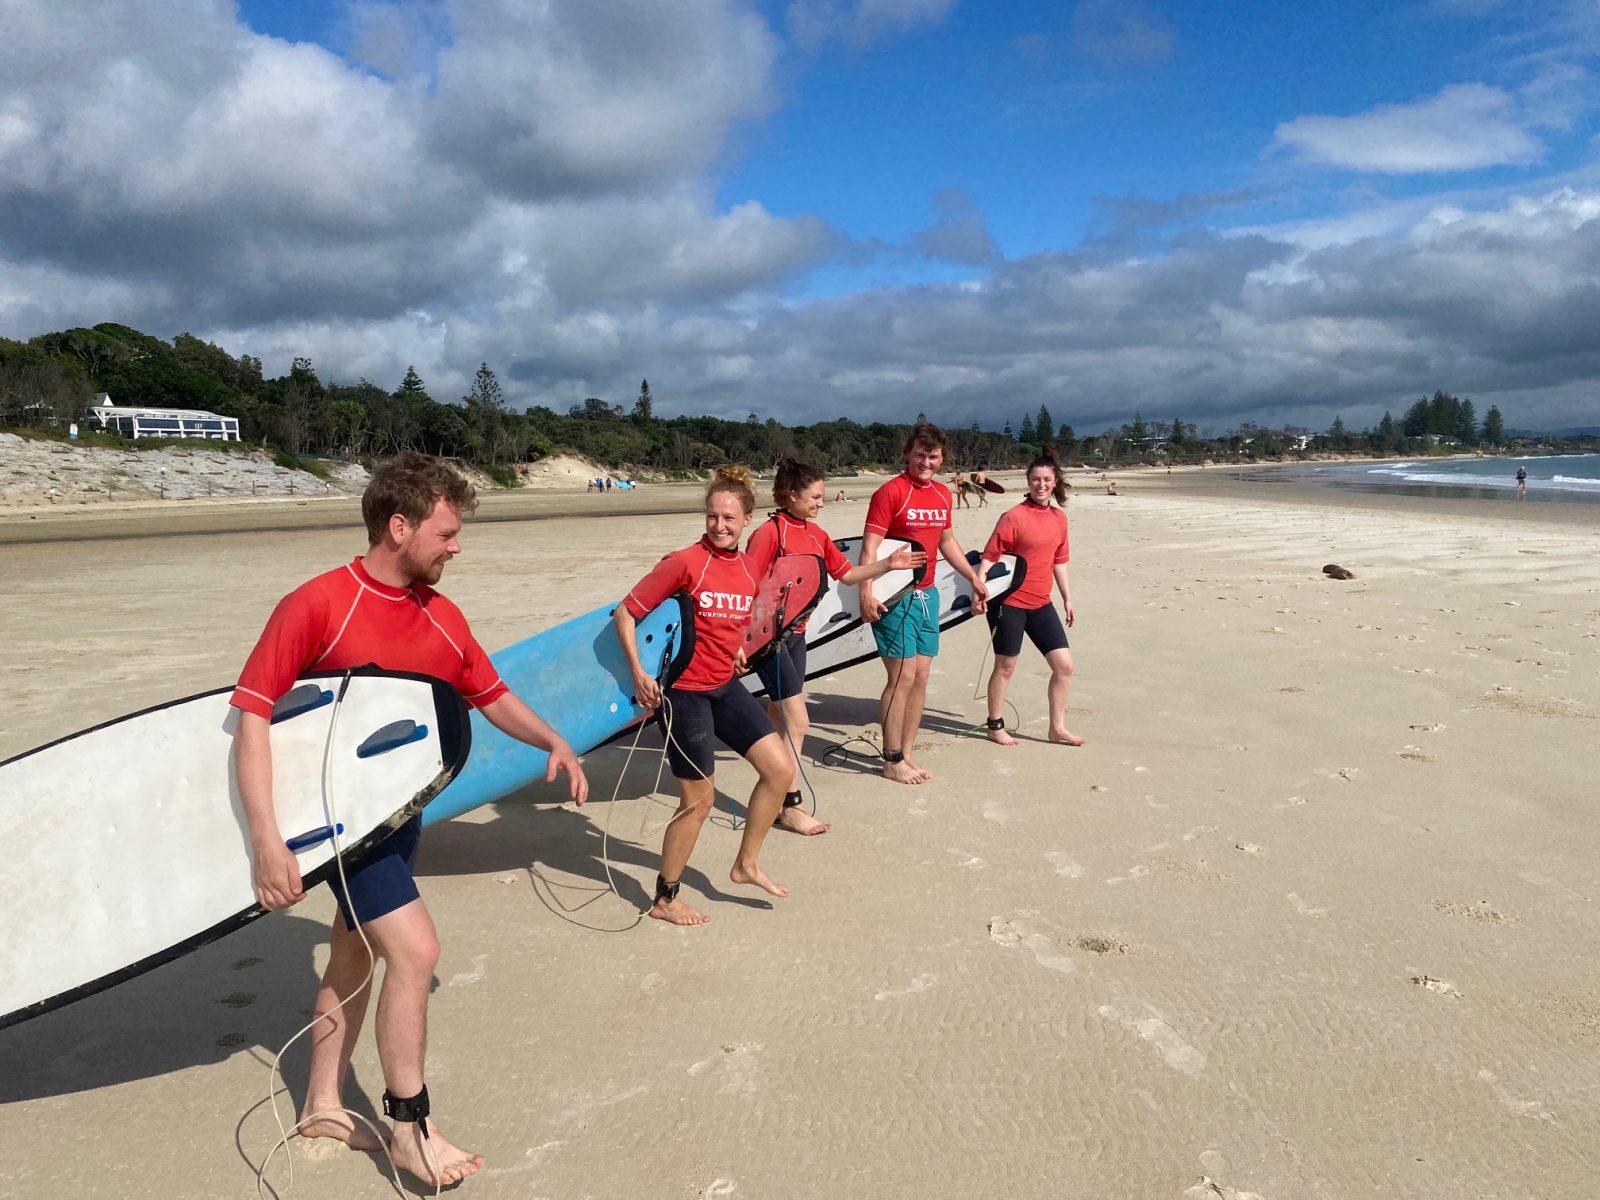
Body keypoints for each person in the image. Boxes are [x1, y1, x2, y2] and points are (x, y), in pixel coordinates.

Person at [231, 453, 587, 1188]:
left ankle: (323, 1103)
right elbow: (253, 720)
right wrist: (269, 841)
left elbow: (490, 694)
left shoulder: (441, 617)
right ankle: (408, 1125)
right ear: (400, 526)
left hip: (399, 817)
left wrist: (551, 737)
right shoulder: (321, 604)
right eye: (447, 532)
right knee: (416, 953)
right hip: (333, 828)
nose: (457, 546)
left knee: (356, 952)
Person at [613, 466, 792, 926]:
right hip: (684, 694)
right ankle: (665, 898)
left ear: (747, 519)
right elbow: (625, 613)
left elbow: (718, 621)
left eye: (729, 518)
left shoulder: (750, 569)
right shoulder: (685, 561)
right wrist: (637, 673)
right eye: (713, 516)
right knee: (698, 802)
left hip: (723, 685)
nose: (719, 525)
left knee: (780, 770)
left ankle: (745, 863)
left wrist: (732, 647)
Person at [745, 458, 927, 833]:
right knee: (799, 720)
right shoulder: (770, 534)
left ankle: (776, 792)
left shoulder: (815, 535)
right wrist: (735, 641)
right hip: (768, 640)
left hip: (796, 636)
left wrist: (889, 564)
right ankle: (789, 803)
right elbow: (744, 585)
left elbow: (847, 575)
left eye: (822, 497)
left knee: (780, 717)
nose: (821, 503)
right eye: (815, 497)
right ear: (791, 495)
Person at [859, 422, 988, 784]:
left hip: (928, 595)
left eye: (933, 457)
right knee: (901, 677)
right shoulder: (891, 492)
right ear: (907, 455)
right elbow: (870, 546)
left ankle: (908, 753)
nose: (926, 463)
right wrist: (865, 593)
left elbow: (946, 541)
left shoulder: (943, 495)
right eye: (920, 455)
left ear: (942, 459)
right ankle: (891, 758)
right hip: (895, 595)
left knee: (921, 677)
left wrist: (973, 577)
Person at [977, 454, 1083, 748]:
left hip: (1040, 603)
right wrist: (980, 588)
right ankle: (995, 725)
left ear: (1055, 482)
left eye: (1047, 479)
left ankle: (1057, 727)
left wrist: (1067, 600)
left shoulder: (1059, 518)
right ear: (1028, 481)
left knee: (1064, 666)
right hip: (1008, 603)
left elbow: (1059, 561)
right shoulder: (1014, 516)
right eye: (1036, 479)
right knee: (1005, 667)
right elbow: (990, 555)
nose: (1041, 484)